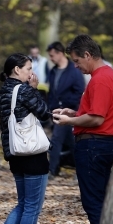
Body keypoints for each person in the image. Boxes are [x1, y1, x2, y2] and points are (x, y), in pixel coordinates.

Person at [52, 35, 113, 224]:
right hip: (100, 144)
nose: (75, 66)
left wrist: (66, 122)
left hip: (94, 146)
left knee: (93, 202)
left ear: (87, 55)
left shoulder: (101, 80)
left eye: (76, 61)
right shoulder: (106, 77)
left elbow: (97, 118)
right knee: (100, 201)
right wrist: (74, 113)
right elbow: (93, 112)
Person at [0, 54, 51, 224]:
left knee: (23, 204)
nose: (31, 73)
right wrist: (34, 88)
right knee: (32, 207)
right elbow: (44, 113)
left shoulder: (2, 93)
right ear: (17, 69)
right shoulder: (23, 90)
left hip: (15, 155)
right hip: (33, 155)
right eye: (28, 68)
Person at [46, 41, 86, 178]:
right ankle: (79, 168)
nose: (51, 58)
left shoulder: (74, 70)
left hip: (69, 111)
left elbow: (80, 90)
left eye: (52, 55)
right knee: (71, 142)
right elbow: (51, 91)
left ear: (60, 53)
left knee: (56, 139)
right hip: (56, 111)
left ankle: (52, 170)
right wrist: (51, 108)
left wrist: (69, 107)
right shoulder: (53, 71)